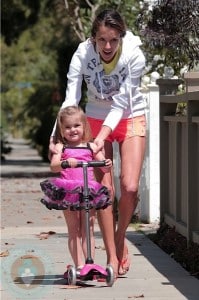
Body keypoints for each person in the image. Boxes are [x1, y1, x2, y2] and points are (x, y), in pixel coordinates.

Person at [49, 9, 146, 277]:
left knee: (129, 187)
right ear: (93, 38)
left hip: (129, 115)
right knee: (104, 191)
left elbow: (122, 102)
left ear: (121, 38)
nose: (107, 46)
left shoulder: (134, 56)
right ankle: (112, 259)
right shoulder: (82, 54)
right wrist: (54, 137)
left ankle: (118, 239)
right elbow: (71, 97)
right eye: (102, 39)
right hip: (93, 115)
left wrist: (101, 136)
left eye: (113, 40)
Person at [41, 106, 112, 274]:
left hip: (88, 190)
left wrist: (106, 163)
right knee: (74, 229)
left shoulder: (91, 147)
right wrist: (66, 161)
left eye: (76, 126)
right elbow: (54, 166)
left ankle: (90, 263)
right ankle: (80, 265)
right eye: (68, 127)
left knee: (88, 228)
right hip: (69, 191)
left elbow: (104, 167)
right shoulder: (61, 147)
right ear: (62, 130)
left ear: (84, 126)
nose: (72, 130)